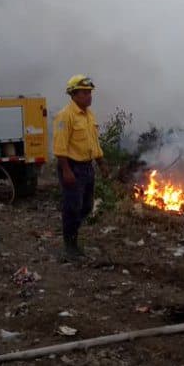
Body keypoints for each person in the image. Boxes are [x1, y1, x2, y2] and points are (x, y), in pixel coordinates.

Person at [53, 75, 110, 258]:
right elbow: (60, 147)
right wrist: (66, 170)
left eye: (89, 92)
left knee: (86, 206)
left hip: (87, 167)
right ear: (73, 95)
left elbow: (94, 142)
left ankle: (73, 236)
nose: (88, 96)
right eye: (84, 93)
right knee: (72, 207)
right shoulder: (65, 116)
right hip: (72, 166)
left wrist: (101, 163)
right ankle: (70, 247)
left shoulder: (89, 115)